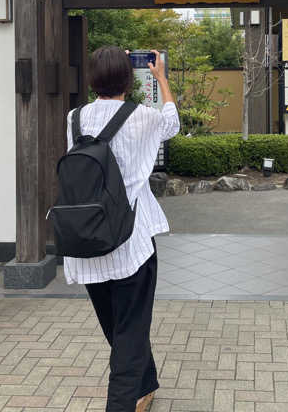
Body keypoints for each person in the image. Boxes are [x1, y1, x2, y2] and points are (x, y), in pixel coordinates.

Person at [63, 46, 179, 412]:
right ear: (129, 79)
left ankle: (145, 385)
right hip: (131, 242)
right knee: (130, 331)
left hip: (87, 241)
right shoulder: (141, 116)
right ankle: (123, 402)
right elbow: (172, 124)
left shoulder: (74, 118)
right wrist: (160, 76)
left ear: (92, 79)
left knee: (117, 327)